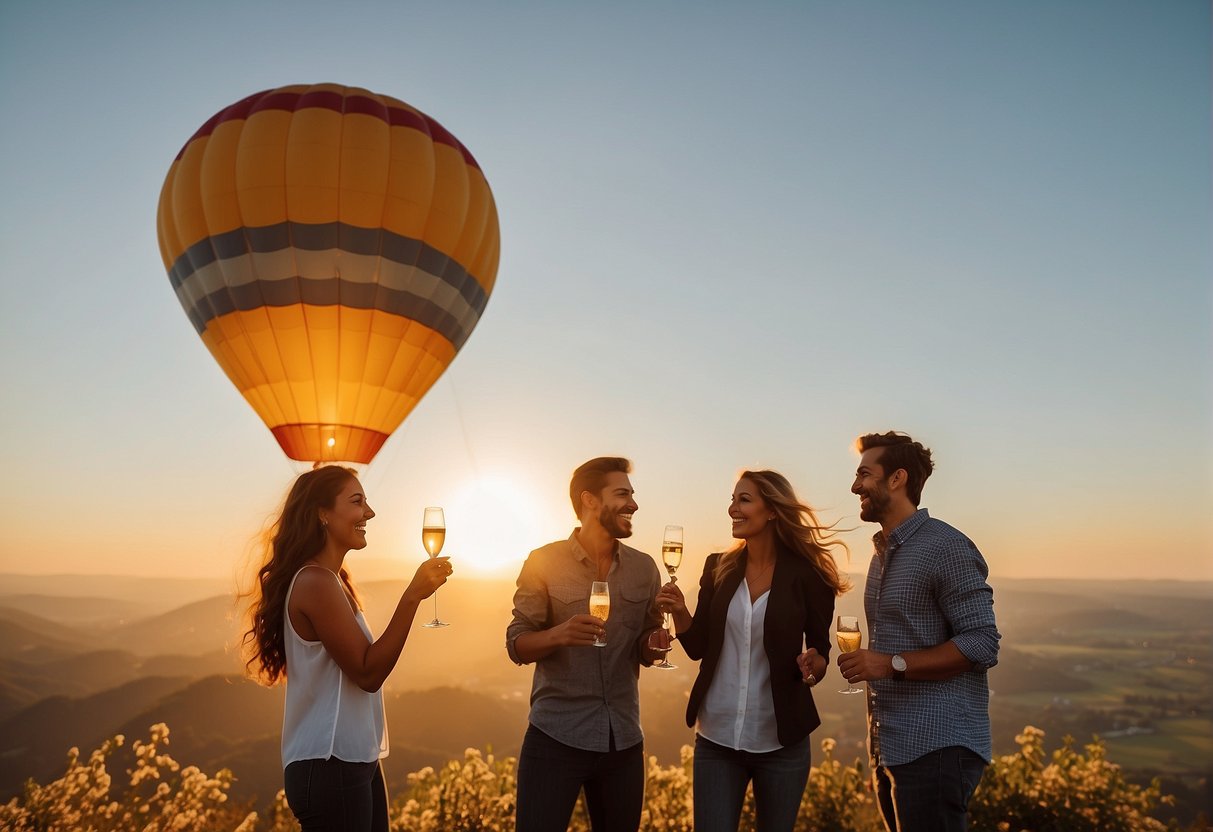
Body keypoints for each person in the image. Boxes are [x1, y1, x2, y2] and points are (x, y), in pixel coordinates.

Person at [242, 465, 451, 832]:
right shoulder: (316, 583)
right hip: (329, 766)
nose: (369, 513)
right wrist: (412, 596)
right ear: (322, 513)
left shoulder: (331, 580)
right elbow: (368, 673)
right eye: (357, 502)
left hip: (353, 760)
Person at [657, 470, 849, 832]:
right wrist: (680, 611)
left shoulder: (807, 575)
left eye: (744, 500)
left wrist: (814, 664)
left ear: (773, 510)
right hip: (716, 739)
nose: (733, 508)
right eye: (732, 500)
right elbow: (698, 647)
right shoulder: (718, 566)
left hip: (782, 744)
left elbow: (820, 652)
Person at [838, 431, 1001, 832]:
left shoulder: (946, 546)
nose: (855, 486)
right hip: (891, 747)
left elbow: (982, 643)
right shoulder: (881, 556)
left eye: (864, 474)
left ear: (897, 479)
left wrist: (889, 664)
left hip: (938, 747)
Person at [505, 457, 666, 832]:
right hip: (554, 739)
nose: (634, 504)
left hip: (623, 741)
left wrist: (654, 645)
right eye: (622, 494)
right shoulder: (543, 561)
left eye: (632, 494)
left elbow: (647, 638)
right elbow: (517, 644)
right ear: (590, 500)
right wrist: (559, 634)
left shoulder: (645, 568)